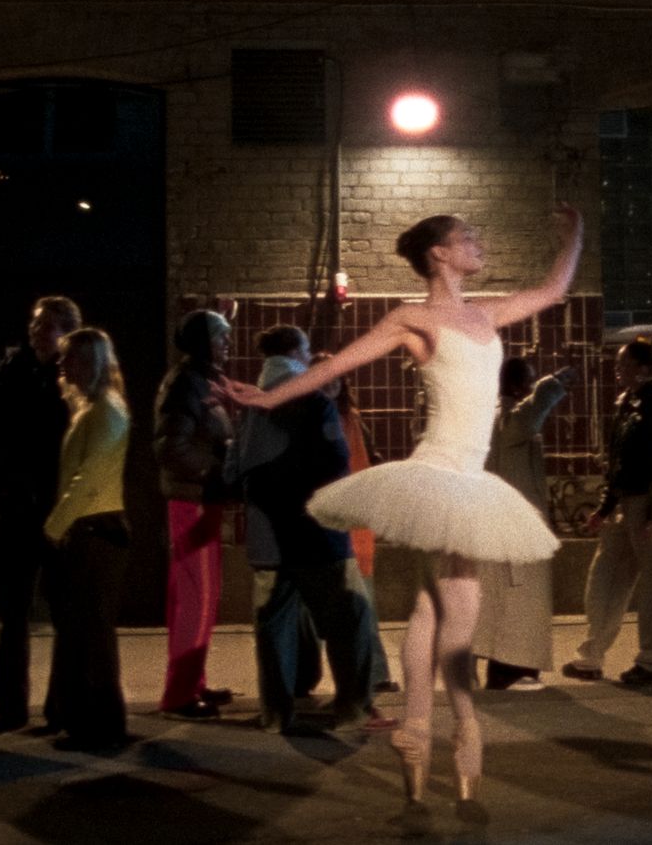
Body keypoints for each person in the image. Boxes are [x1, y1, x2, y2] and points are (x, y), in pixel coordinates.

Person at [218, 205, 584, 806]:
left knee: (430, 604)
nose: (478, 242)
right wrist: (268, 398)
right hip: (440, 471)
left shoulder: (486, 313)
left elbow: (554, 288)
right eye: (467, 237)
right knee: (460, 597)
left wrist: (573, 237)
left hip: (469, 474)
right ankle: (461, 721)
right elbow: (337, 364)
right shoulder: (412, 319)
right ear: (439, 254)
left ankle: (417, 726)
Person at [227, 326, 385, 735]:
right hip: (316, 537)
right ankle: (353, 709)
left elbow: (232, 471)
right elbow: (336, 463)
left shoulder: (249, 407)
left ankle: (277, 714)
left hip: (266, 540)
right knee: (351, 618)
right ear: (298, 353)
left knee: (274, 629)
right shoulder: (313, 400)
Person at [0, 295, 80, 733]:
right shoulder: (8, 374)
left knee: (63, 612)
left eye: (48, 327)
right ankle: (10, 706)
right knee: (12, 613)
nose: (38, 334)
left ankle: (60, 706)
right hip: (18, 507)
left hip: (57, 509)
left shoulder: (75, 381)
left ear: (67, 333)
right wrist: (3, 485)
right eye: (36, 325)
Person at [563, 340, 652, 686]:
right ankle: (592, 655)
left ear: (643, 368)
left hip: (647, 502)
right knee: (605, 577)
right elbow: (619, 463)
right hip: (628, 503)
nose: (617, 368)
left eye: (624, 363)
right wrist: (605, 508)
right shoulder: (628, 404)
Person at [41, 328, 132, 749]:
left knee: (92, 630)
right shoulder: (94, 408)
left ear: (89, 362)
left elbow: (88, 479)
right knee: (84, 629)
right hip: (90, 529)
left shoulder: (105, 412)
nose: (61, 366)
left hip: (96, 530)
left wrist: (54, 526)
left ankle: (101, 723)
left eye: (69, 359)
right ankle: (84, 718)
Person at [153, 309, 236, 720]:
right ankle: (179, 695)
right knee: (194, 599)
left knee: (200, 598)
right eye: (221, 336)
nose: (228, 343)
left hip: (205, 497)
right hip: (193, 500)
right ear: (202, 341)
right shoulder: (186, 383)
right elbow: (172, 446)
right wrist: (213, 471)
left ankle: (193, 682)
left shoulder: (200, 379)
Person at [475, 358, 573, 691]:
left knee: (508, 604)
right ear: (517, 387)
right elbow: (529, 417)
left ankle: (510, 670)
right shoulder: (507, 419)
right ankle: (511, 671)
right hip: (515, 530)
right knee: (516, 605)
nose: (531, 389)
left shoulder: (496, 417)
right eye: (528, 383)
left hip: (509, 525)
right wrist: (553, 384)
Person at [312, 351, 398, 693]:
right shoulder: (306, 418)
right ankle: (303, 677)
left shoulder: (352, 419)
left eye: (337, 375)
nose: (333, 381)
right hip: (321, 521)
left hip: (355, 523)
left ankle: (374, 675)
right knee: (317, 607)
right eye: (324, 375)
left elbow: (371, 461)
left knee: (364, 604)